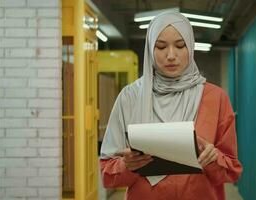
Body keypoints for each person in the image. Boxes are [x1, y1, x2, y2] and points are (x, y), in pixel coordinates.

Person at [100, 11, 242, 200]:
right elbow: (107, 174)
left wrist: (214, 159)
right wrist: (127, 165)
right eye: (160, 47)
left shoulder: (215, 98)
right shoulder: (130, 97)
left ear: (190, 47)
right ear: (150, 49)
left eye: (180, 45)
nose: (171, 55)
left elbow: (232, 171)